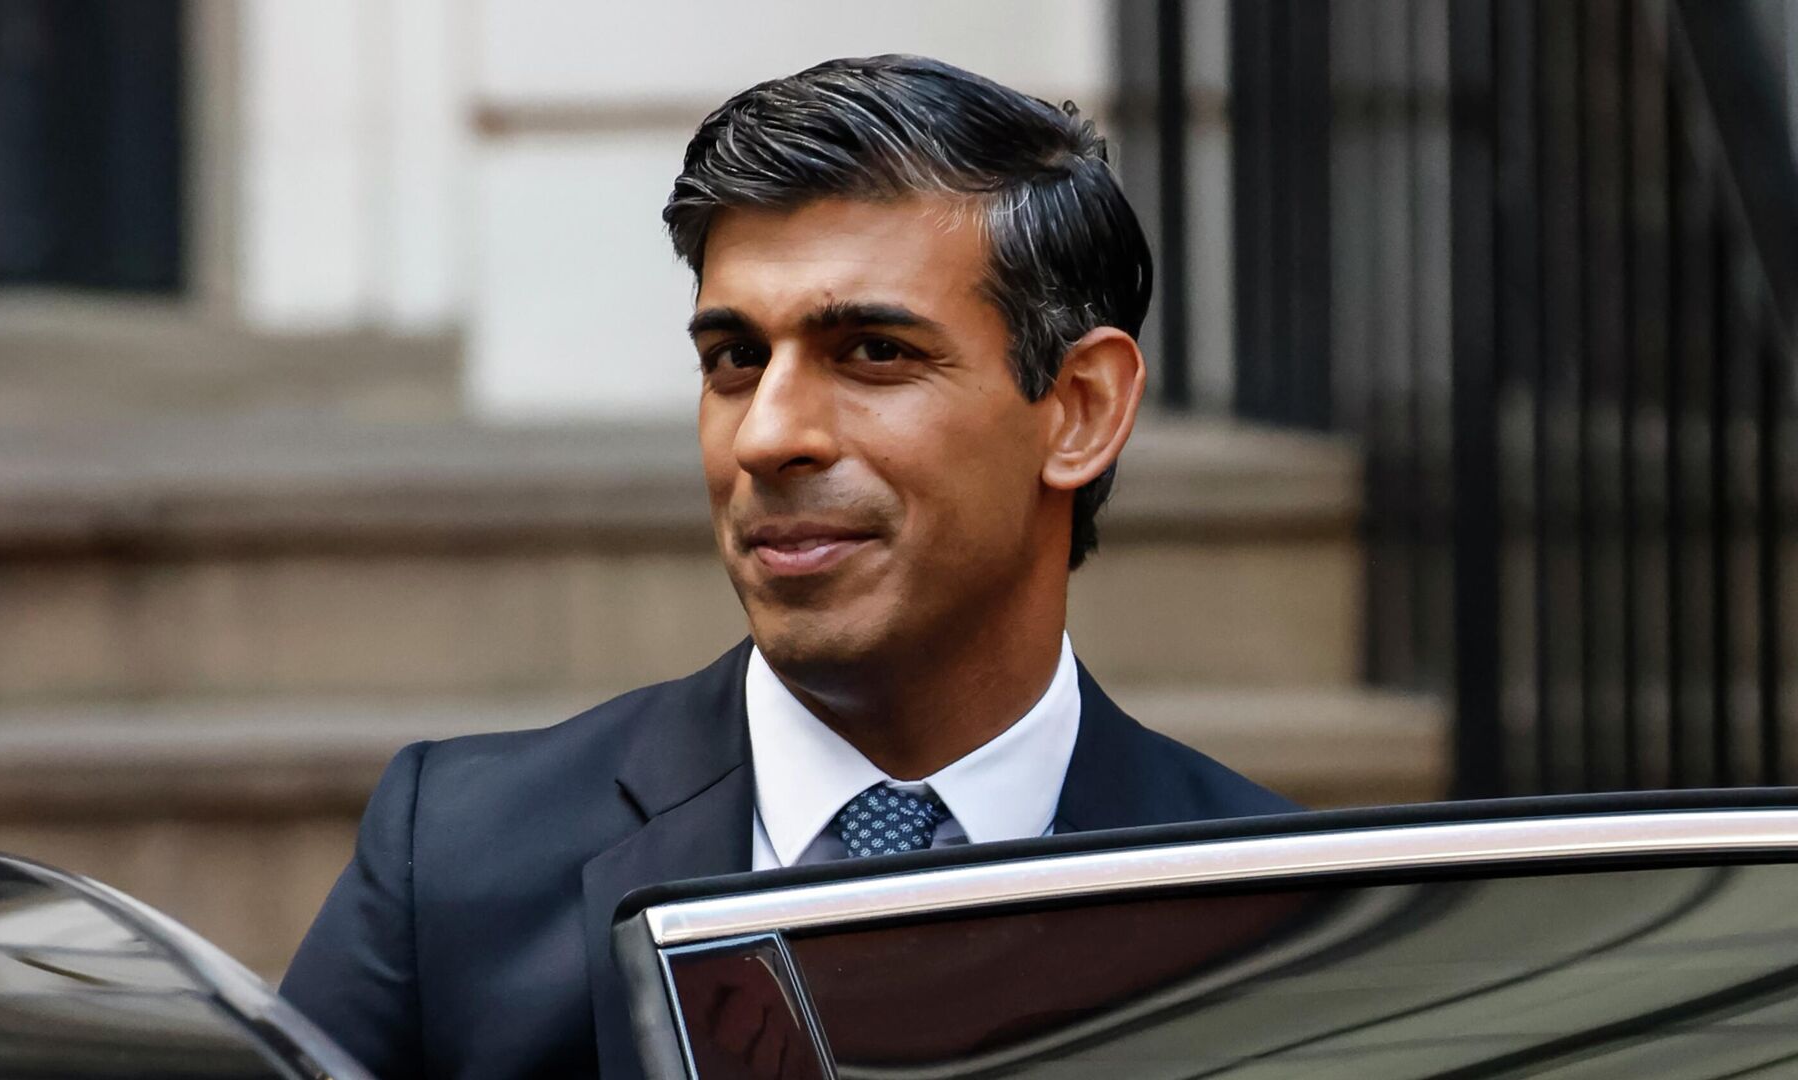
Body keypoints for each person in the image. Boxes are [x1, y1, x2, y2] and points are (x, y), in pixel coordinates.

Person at [280, 54, 1297, 1080]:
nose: (767, 437)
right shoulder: (458, 858)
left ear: (1080, 411)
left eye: (873, 353)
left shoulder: (1285, 917)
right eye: (735, 359)